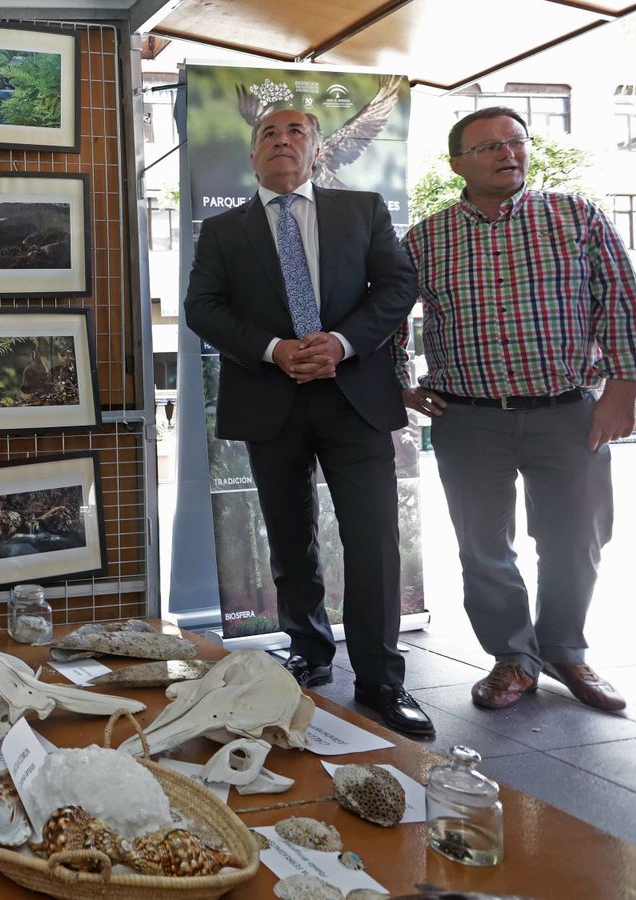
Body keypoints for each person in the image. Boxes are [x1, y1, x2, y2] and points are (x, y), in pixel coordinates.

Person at [396, 107, 636, 712]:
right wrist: (399, 382)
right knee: (483, 545)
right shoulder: (425, 238)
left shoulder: (575, 216)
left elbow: (620, 298)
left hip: (568, 412)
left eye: (516, 142)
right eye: (488, 147)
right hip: (467, 418)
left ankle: (567, 651)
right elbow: (388, 317)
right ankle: (512, 658)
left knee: (577, 539)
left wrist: (623, 389)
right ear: (457, 163)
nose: (507, 154)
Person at [185, 109, 432, 738]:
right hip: (273, 398)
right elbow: (202, 308)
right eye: (268, 133)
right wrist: (274, 348)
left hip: (354, 398)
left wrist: (343, 343)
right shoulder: (222, 230)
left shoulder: (364, 210)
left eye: (295, 132)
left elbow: (399, 285)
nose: (282, 140)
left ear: (316, 150)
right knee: (290, 538)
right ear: (252, 155)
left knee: (373, 541)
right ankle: (310, 652)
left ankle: (380, 679)